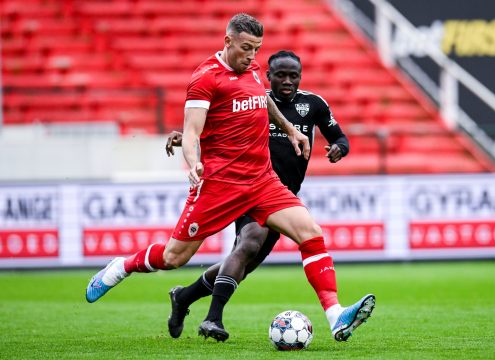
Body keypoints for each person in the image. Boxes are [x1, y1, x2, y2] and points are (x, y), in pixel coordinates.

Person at [85, 13, 375, 344]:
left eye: (256, 50)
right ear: (228, 42)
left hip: (262, 180)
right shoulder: (205, 79)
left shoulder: (250, 69)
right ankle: (121, 267)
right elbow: (192, 132)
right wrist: (193, 162)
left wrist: (291, 128)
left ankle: (335, 315)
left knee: (310, 232)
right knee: (172, 257)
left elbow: (261, 99)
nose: (252, 57)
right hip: (220, 185)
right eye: (246, 48)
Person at [165, 50, 370, 342]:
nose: (287, 81)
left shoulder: (313, 104)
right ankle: (213, 319)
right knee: (248, 244)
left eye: (293, 75)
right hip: (250, 188)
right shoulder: (253, 100)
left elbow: (340, 136)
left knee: (243, 266)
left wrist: (339, 148)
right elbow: (211, 120)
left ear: (301, 76)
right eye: (280, 75)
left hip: (282, 197)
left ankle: (184, 297)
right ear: (268, 76)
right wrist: (183, 134)